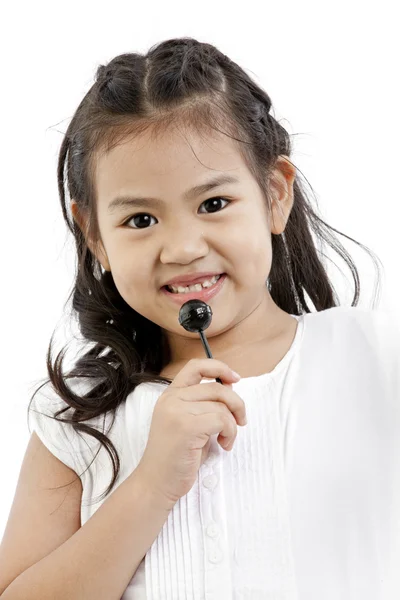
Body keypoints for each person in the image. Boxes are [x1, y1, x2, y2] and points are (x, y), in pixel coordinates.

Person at [0, 37, 399, 600]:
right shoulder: (79, 418)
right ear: (94, 236)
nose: (183, 248)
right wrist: (150, 486)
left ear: (275, 194)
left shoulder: (377, 357)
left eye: (213, 204)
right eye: (140, 219)